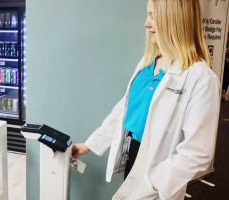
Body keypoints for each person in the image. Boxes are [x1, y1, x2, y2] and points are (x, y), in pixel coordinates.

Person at [72, 0, 220, 199]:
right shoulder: (149, 61)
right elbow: (125, 108)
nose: (146, 23)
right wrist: (89, 145)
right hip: (135, 152)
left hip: (160, 168)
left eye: (152, 16)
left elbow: (197, 152)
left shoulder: (200, 77)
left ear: (173, 19)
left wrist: (154, 183)